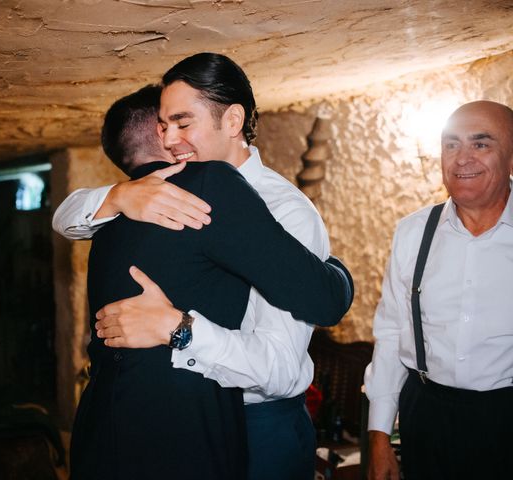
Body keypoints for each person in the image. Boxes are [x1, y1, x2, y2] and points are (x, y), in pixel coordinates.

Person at [55, 53, 353, 480]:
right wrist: (118, 196)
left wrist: (179, 329)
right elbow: (67, 217)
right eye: (163, 126)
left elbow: (282, 368)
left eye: (182, 123)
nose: (170, 140)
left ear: (232, 122)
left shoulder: (286, 211)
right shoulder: (159, 190)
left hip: (259, 423)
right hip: (185, 422)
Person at [364, 100, 513, 480]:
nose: (462, 159)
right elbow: (391, 333)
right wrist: (379, 436)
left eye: (481, 144)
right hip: (427, 416)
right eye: (451, 144)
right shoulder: (413, 232)